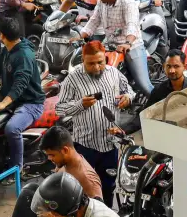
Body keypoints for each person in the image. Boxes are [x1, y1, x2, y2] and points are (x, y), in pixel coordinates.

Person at [57, 40, 134, 203]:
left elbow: (129, 90)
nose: (97, 67)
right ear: (83, 60)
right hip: (85, 146)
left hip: (110, 145)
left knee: (108, 187)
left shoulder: (114, 73)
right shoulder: (73, 79)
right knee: (84, 190)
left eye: (101, 62)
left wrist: (127, 98)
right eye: (91, 64)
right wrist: (80, 105)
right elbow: (59, 108)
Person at [0, 18, 46, 171]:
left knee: (12, 129)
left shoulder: (23, 55)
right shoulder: (8, 49)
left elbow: (20, 84)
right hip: (13, 101)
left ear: (1, 35)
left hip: (30, 103)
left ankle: (16, 168)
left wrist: (3, 103)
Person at [80, 0, 154, 95]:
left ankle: (163, 109)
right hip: (109, 45)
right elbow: (94, 20)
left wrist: (127, 43)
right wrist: (79, 36)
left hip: (131, 46)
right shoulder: (101, 1)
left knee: (144, 85)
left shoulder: (127, 2)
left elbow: (132, 25)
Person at [42, 125, 104, 200]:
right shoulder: (62, 163)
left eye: (52, 155)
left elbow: (97, 210)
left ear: (65, 150)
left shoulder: (88, 179)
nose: (49, 158)